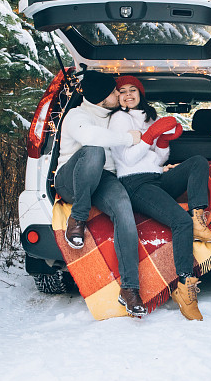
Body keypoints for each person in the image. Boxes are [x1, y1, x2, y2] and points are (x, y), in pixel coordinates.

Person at [108, 75, 211, 321]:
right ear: (118, 97)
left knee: (197, 162)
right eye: (123, 91)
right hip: (134, 183)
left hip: (156, 177)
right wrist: (150, 135)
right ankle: (184, 287)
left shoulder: (149, 118)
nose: (128, 94)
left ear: (140, 93)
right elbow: (127, 160)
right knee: (180, 222)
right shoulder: (118, 119)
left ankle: (198, 219)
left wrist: (161, 140)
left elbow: (158, 159)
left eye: (133, 90)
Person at [53, 70, 147, 318]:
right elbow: (90, 137)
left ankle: (129, 289)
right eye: (115, 91)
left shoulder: (115, 117)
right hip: (70, 180)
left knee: (123, 209)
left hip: (101, 180)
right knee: (95, 150)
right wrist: (128, 138)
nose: (120, 93)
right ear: (103, 96)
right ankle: (78, 218)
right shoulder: (78, 115)